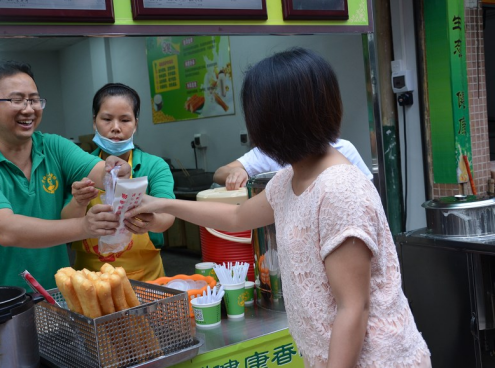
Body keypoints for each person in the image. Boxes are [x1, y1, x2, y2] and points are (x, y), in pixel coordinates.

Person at [126, 48, 431, 367]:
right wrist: (161, 204)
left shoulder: (339, 189)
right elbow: (235, 216)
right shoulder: (290, 178)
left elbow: (353, 309)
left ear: (275, 123)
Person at [0, 60, 131, 291]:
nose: (29, 109)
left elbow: (101, 172)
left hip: (54, 298)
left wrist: (116, 170)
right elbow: (7, 230)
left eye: (34, 100)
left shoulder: (53, 146)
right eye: (16, 100)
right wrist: (85, 226)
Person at [62, 83, 175, 281]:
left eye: (125, 120)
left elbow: (168, 214)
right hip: (91, 281)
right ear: (94, 122)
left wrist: (152, 221)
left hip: (148, 281)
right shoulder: (78, 166)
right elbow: (65, 223)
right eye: (106, 119)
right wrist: (78, 202)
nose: (116, 128)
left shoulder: (154, 166)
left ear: (136, 124)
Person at [214, 140, 373, 190]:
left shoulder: (343, 149)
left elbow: (368, 196)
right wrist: (236, 172)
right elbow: (237, 217)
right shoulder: (270, 155)